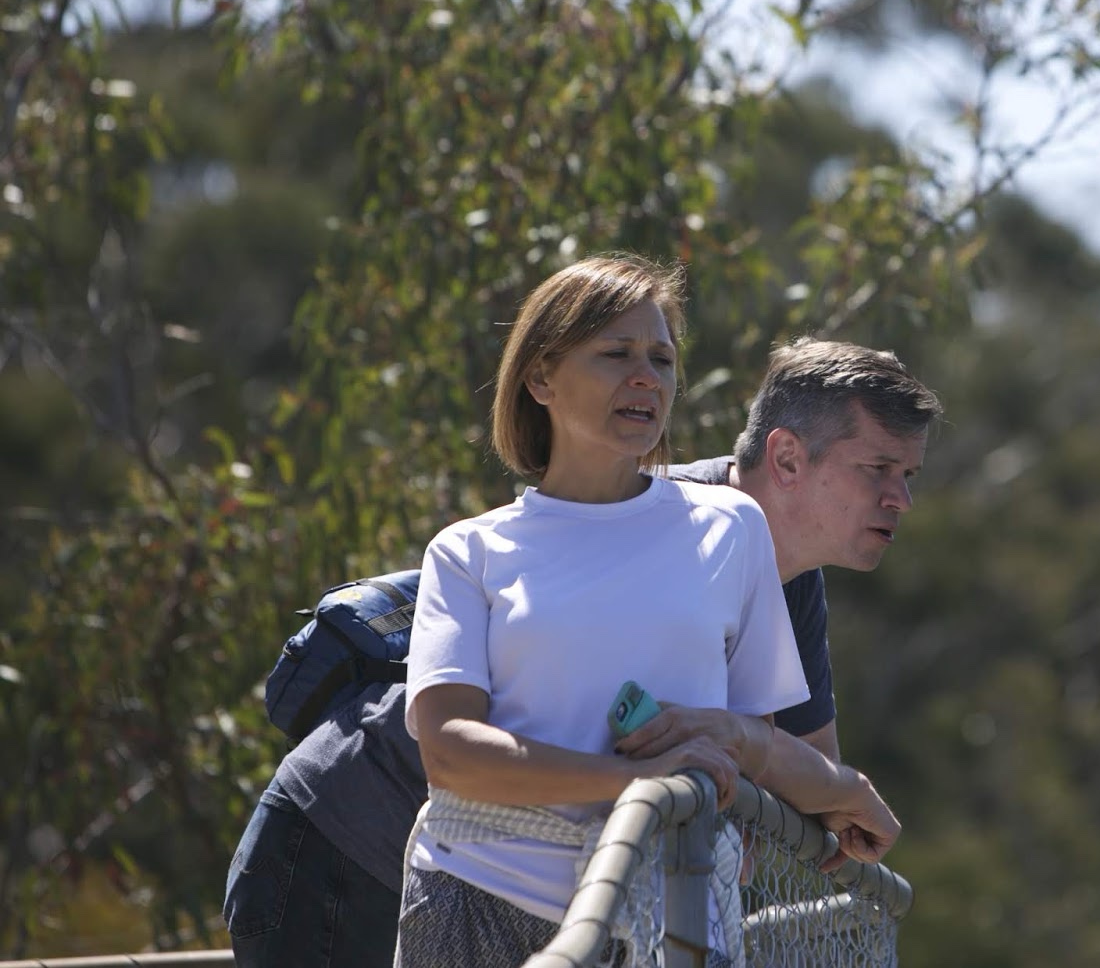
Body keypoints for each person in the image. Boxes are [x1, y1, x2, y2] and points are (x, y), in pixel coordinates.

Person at [222, 325, 941, 968]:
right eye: (877, 469)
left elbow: (797, 778)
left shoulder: (783, 572)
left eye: (907, 476)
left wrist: (817, 786)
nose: (900, 499)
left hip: (531, 895)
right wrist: (765, 774)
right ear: (785, 458)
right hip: (350, 843)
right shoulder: (650, 508)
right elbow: (750, 770)